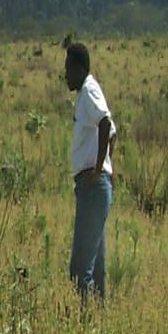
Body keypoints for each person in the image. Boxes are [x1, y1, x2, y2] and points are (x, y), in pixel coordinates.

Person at [64, 42, 116, 299]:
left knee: (79, 269)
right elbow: (113, 133)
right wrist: (107, 166)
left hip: (93, 188)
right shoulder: (88, 93)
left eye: (68, 69)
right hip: (95, 188)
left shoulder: (88, 91)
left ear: (79, 68)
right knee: (95, 269)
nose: (65, 76)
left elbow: (106, 124)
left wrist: (98, 170)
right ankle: (98, 322)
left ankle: (83, 325)